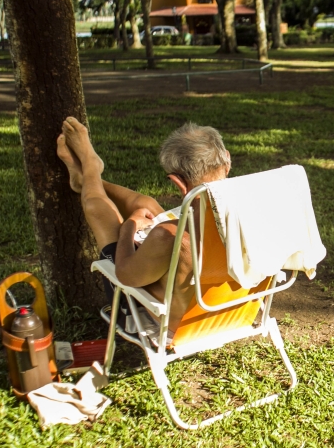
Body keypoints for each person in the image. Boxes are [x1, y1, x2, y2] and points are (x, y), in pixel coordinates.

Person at [56, 118, 231, 335]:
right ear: (227, 161)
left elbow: (125, 275)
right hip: (230, 310)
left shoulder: (168, 235)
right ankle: (86, 180)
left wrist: (130, 225)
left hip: (177, 324)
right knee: (146, 204)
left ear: (177, 182)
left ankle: (90, 168)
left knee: (99, 212)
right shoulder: (250, 210)